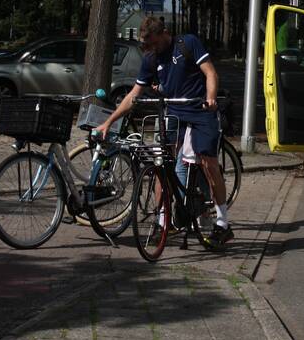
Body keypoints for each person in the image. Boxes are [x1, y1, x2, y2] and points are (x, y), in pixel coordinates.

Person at [97, 16, 233, 245]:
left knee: (208, 163)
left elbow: (210, 73)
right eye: (146, 45)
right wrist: (109, 121)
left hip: (200, 111)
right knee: (162, 165)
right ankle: (163, 222)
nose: (150, 49)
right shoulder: (150, 59)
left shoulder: (187, 43)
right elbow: (133, 95)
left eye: (153, 44)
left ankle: (222, 222)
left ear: (164, 33)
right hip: (173, 113)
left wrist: (210, 98)